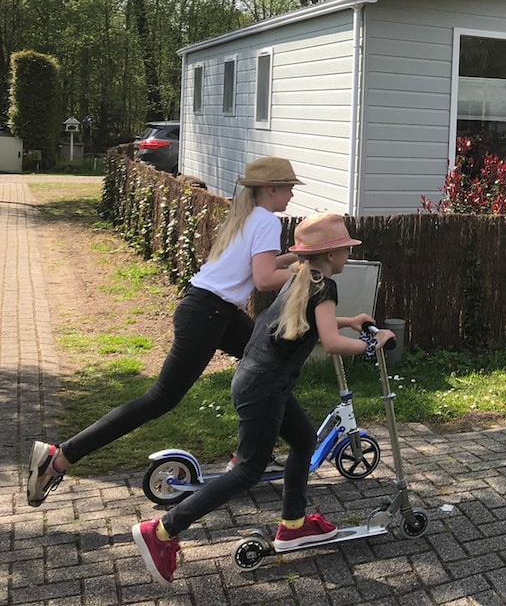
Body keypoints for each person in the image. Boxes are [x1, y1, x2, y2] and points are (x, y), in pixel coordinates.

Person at [26, 155, 305, 507]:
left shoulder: (246, 216)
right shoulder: (266, 220)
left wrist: (298, 259)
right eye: (290, 188)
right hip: (209, 314)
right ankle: (59, 457)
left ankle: (256, 453)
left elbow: (255, 267)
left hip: (213, 310)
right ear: (272, 188)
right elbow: (264, 279)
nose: (292, 195)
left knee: (271, 368)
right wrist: (307, 276)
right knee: (161, 398)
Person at [131, 212, 392, 585]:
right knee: (247, 471)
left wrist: (349, 321)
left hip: (259, 381)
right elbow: (331, 344)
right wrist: (372, 344)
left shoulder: (304, 279)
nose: (348, 256)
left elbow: (313, 326)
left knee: (304, 440)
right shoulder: (323, 286)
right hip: (265, 388)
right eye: (345, 250)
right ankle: (162, 531)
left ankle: (293, 524)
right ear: (332, 254)